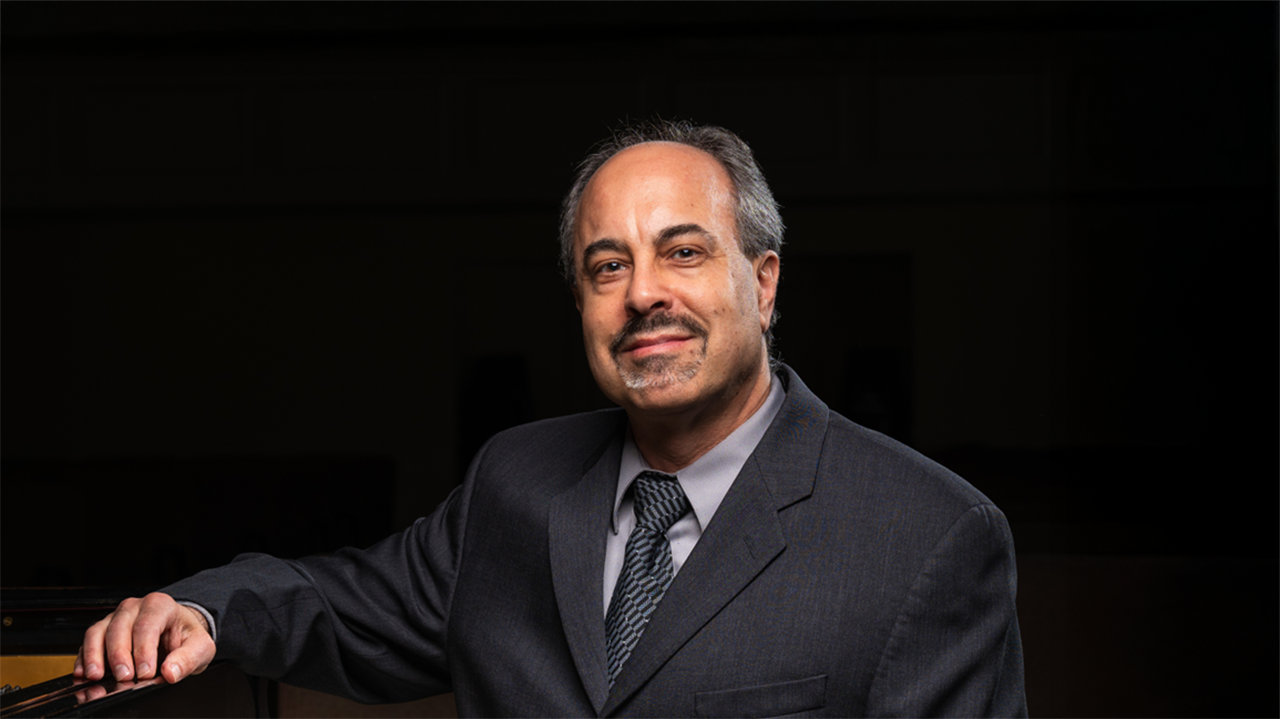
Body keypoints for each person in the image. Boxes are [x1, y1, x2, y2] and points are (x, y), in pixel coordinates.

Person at [77, 121, 1027, 718]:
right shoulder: (515, 480)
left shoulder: (929, 534)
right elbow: (344, 606)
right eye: (607, 265)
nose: (643, 293)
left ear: (764, 280)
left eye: (683, 251)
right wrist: (198, 610)